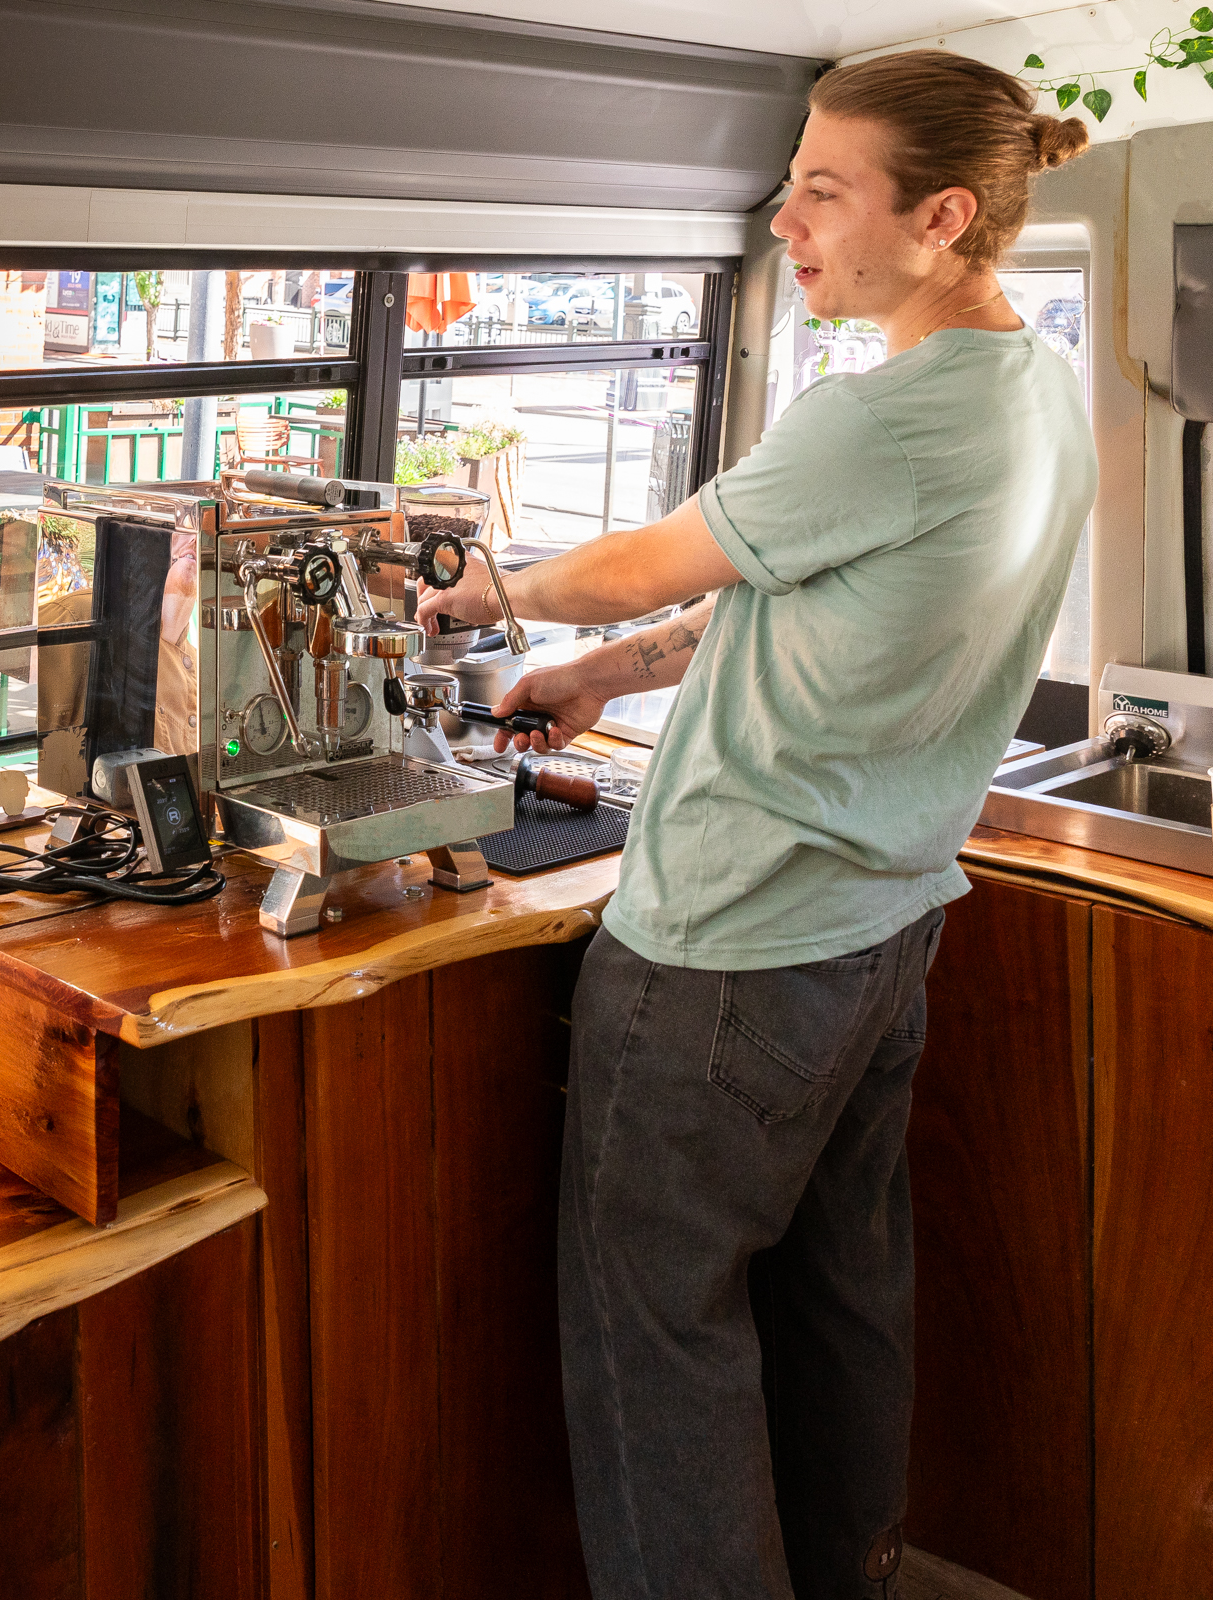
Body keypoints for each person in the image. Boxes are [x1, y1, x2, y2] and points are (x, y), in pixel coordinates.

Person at [415, 51, 1095, 1600]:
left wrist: (493, 592)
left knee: (653, 1332)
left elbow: (658, 559)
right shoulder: (1030, 388)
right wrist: (604, 672)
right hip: (883, 926)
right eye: (789, 177)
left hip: (731, 945)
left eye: (822, 188)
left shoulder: (886, 417)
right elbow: (783, 599)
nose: (780, 215)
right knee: (839, 1298)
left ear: (943, 215)